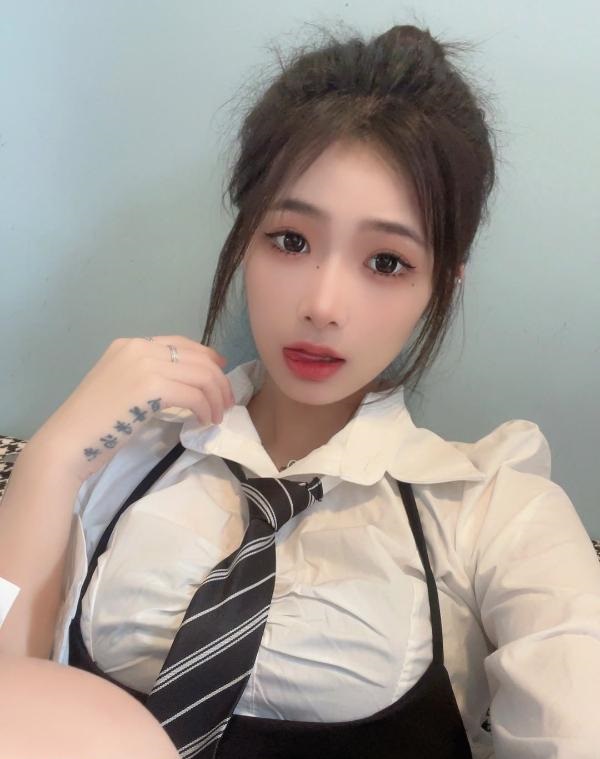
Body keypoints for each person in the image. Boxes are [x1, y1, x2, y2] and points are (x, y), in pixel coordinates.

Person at [1, 20, 599, 759]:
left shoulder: (496, 515)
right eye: (290, 240)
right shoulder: (123, 460)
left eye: (386, 262)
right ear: (245, 238)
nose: (322, 304)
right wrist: (50, 459)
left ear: (441, 285)